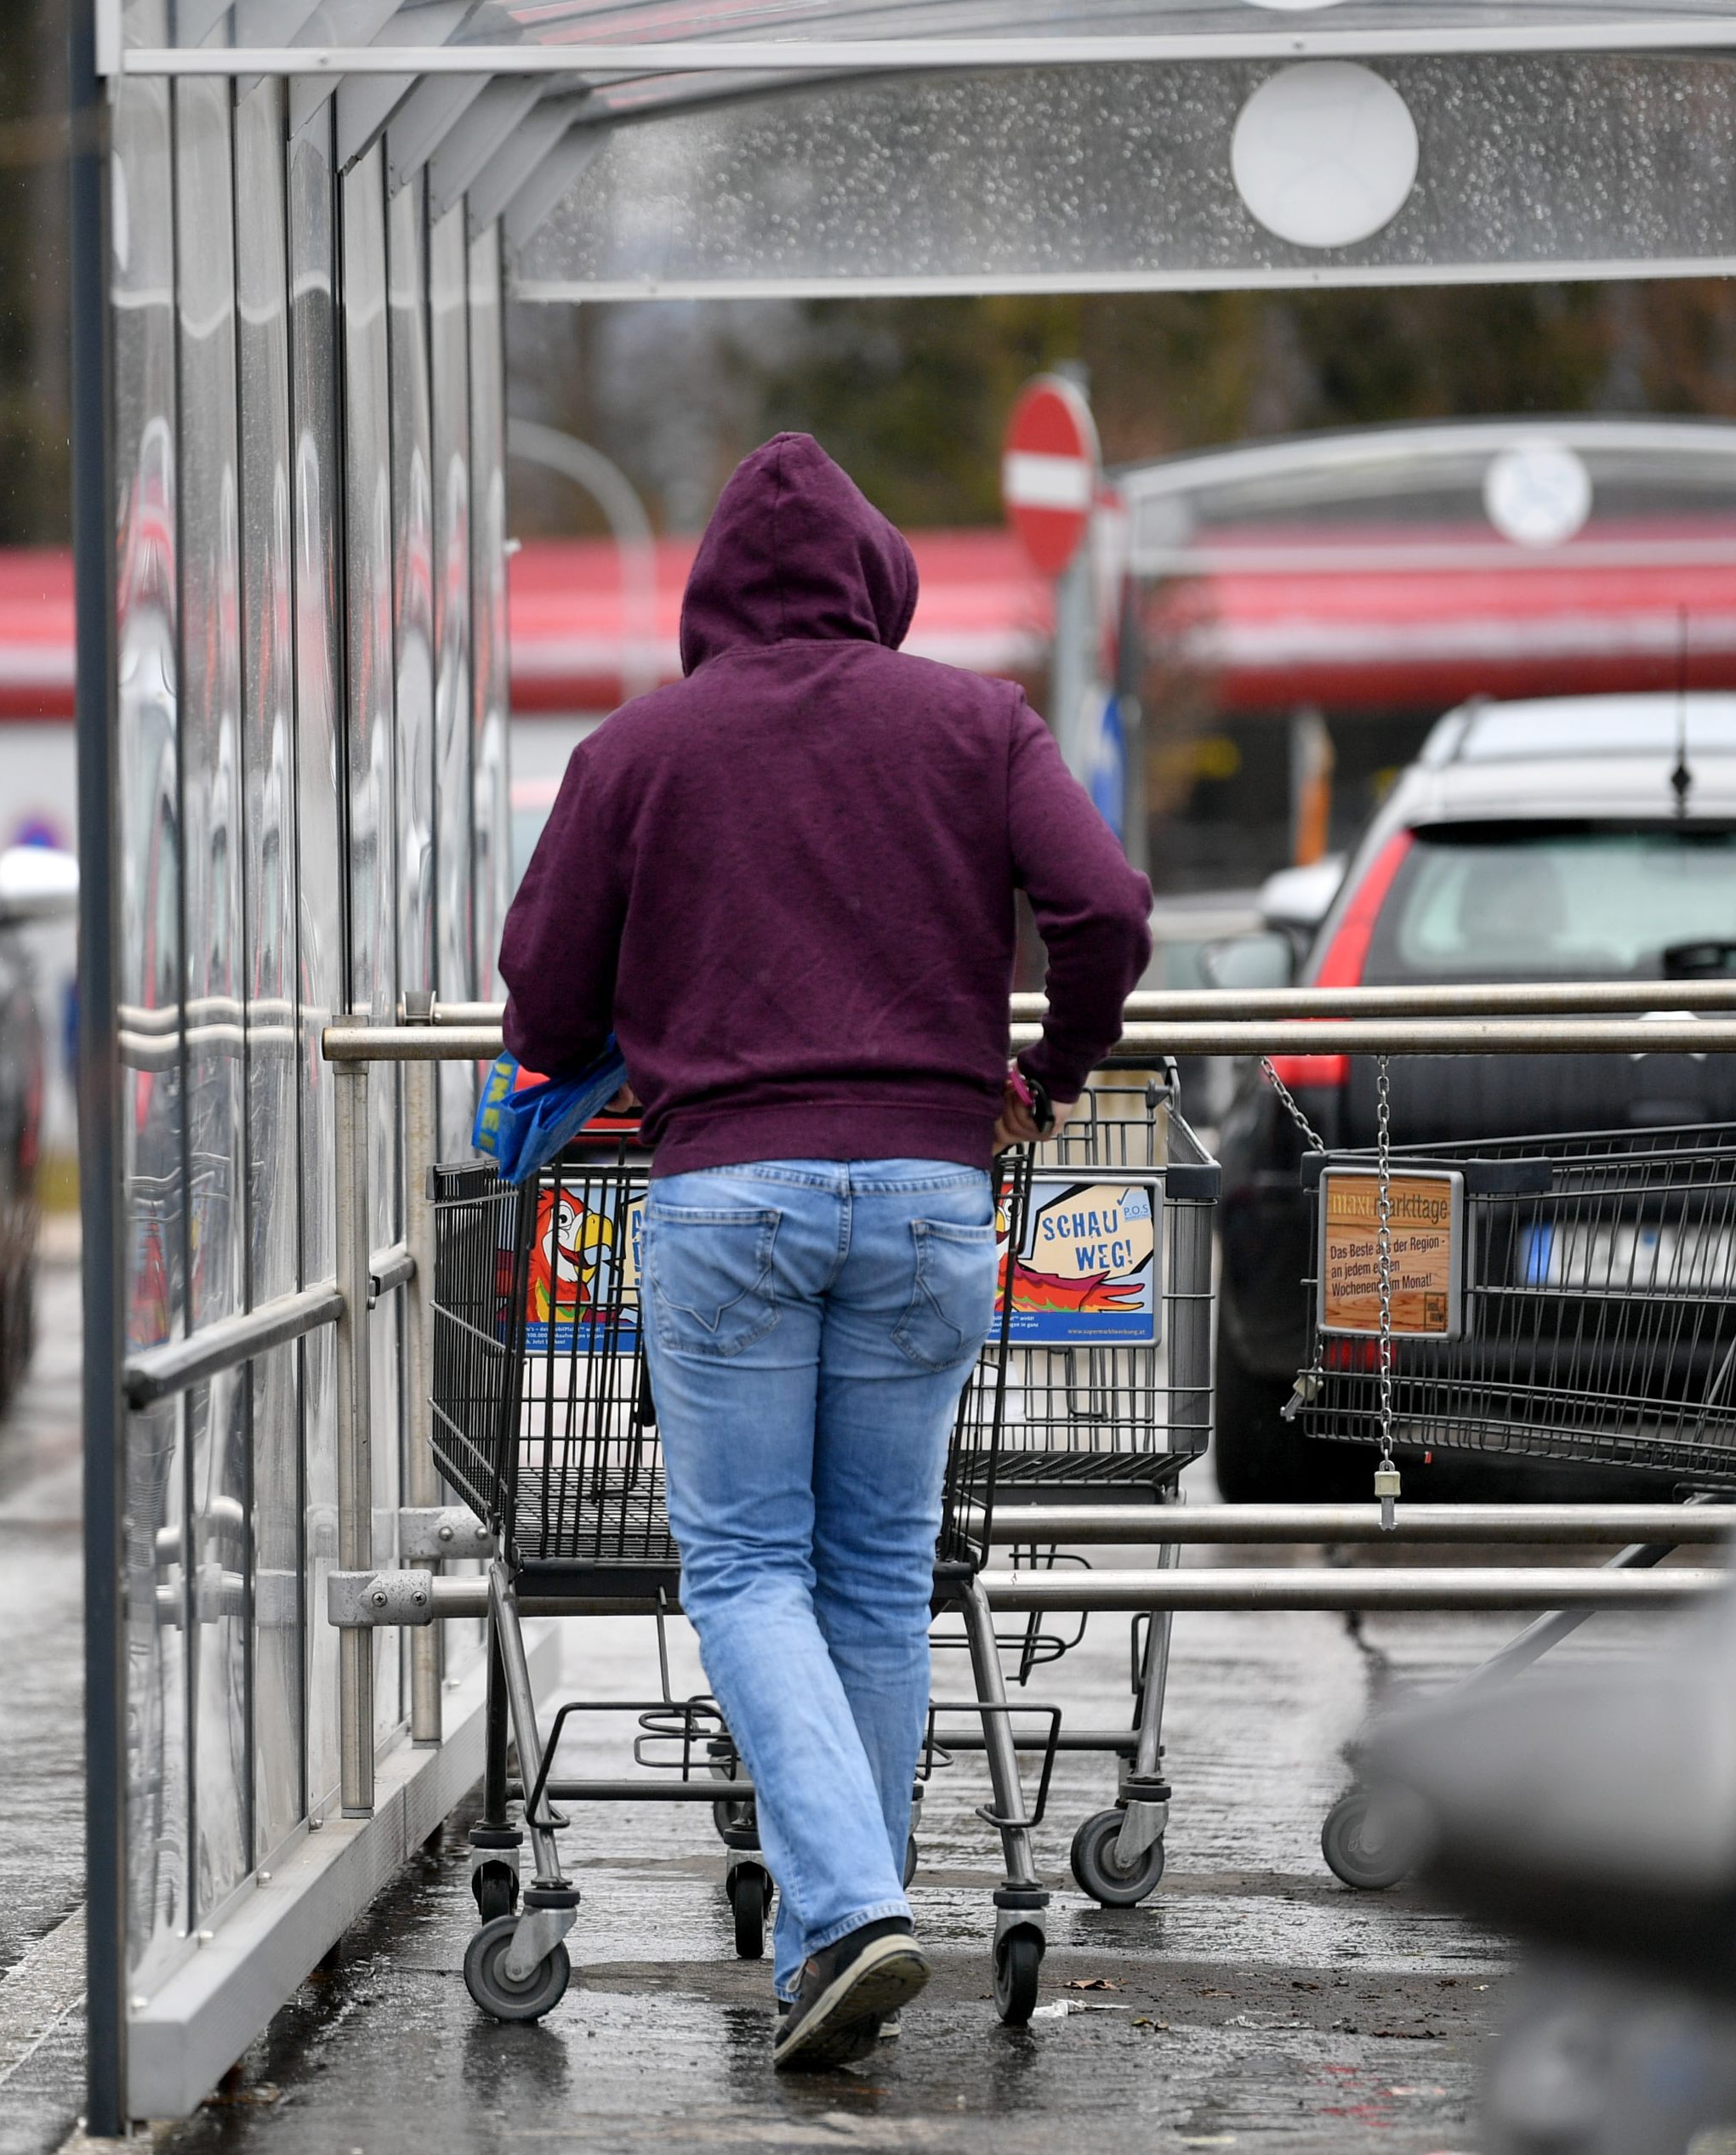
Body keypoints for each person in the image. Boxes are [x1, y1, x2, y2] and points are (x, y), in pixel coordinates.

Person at [499, 433, 1152, 2070]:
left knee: (742, 1569)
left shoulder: (639, 751)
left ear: (710, 591)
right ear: (876, 579)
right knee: (873, 1572)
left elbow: (543, 1004)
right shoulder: (975, 723)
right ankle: (829, 1949)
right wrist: (1050, 1072)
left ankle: (853, 1910)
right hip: (931, 1193)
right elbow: (1106, 910)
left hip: (726, 1199)